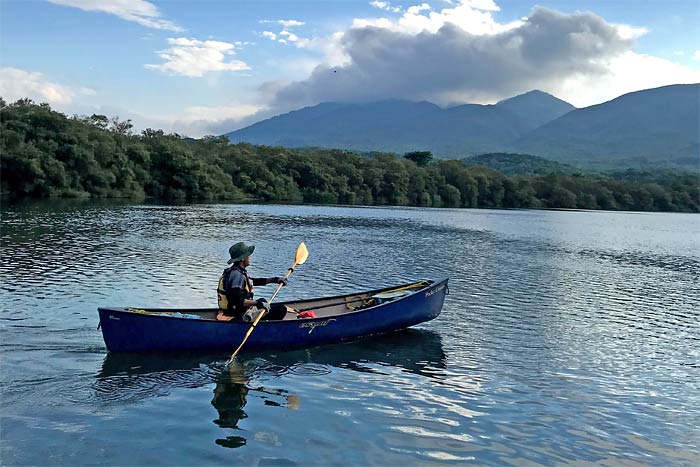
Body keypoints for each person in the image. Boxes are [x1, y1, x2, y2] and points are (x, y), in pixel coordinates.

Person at [217, 242, 288, 321]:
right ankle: (261, 327)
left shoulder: (235, 271)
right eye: (248, 255)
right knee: (281, 309)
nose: (249, 257)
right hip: (239, 315)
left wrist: (275, 280)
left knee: (263, 300)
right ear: (243, 258)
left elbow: (254, 282)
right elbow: (237, 301)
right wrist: (258, 303)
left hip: (235, 310)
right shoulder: (237, 275)